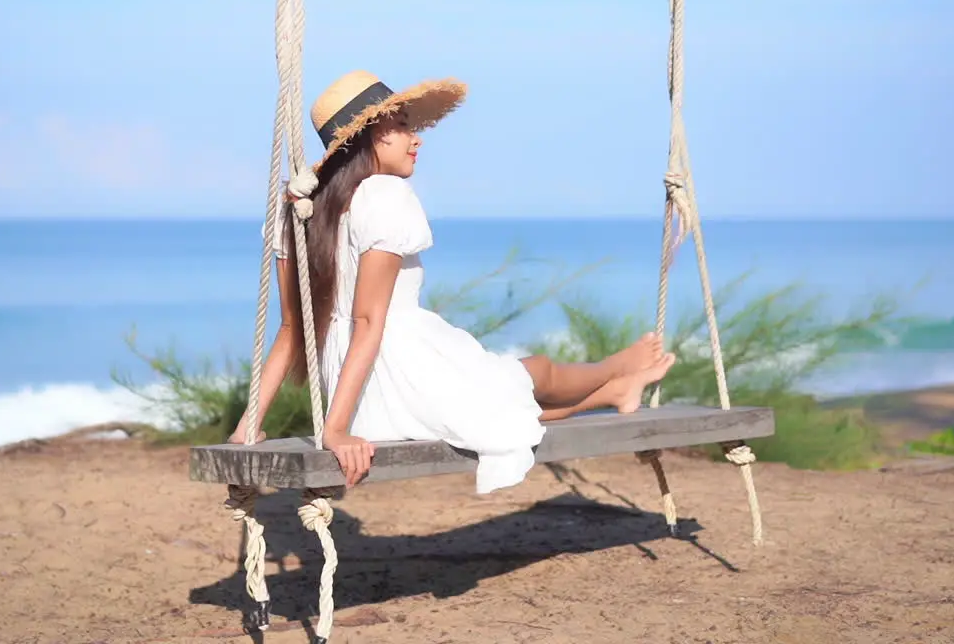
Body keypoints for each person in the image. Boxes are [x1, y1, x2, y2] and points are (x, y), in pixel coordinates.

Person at [230, 70, 677, 492]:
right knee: (533, 373)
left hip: (360, 392)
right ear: (376, 133)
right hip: (396, 369)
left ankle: (617, 387)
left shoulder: (299, 209)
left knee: (509, 401)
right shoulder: (384, 196)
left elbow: (292, 330)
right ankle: (619, 368)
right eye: (404, 126)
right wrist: (335, 430)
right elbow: (369, 321)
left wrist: (249, 423)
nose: (415, 139)